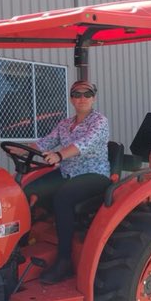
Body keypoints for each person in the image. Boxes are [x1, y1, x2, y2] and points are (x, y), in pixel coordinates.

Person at [25, 79, 111, 283]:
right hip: (67, 173)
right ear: (72, 99)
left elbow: (84, 144)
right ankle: (26, 244)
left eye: (87, 94)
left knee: (63, 197)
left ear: (94, 98)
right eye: (77, 94)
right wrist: (22, 149)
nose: (82, 98)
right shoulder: (64, 123)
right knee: (30, 188)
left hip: (93, 175)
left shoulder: (99, 121)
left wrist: (59, 155)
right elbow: (46, 141)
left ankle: (64, 260)